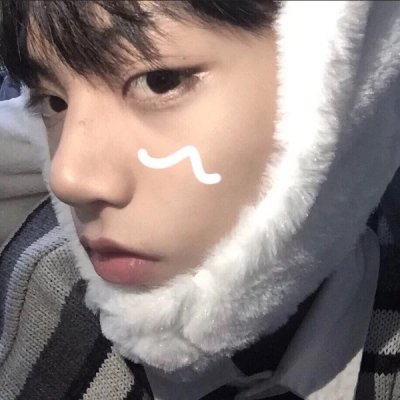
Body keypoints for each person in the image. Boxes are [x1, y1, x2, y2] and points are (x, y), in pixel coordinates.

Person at [1, 1, 400, 399]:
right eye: (53, 101)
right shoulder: (44, 297)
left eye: (159, 81)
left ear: (345, 75)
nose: (67, 177)